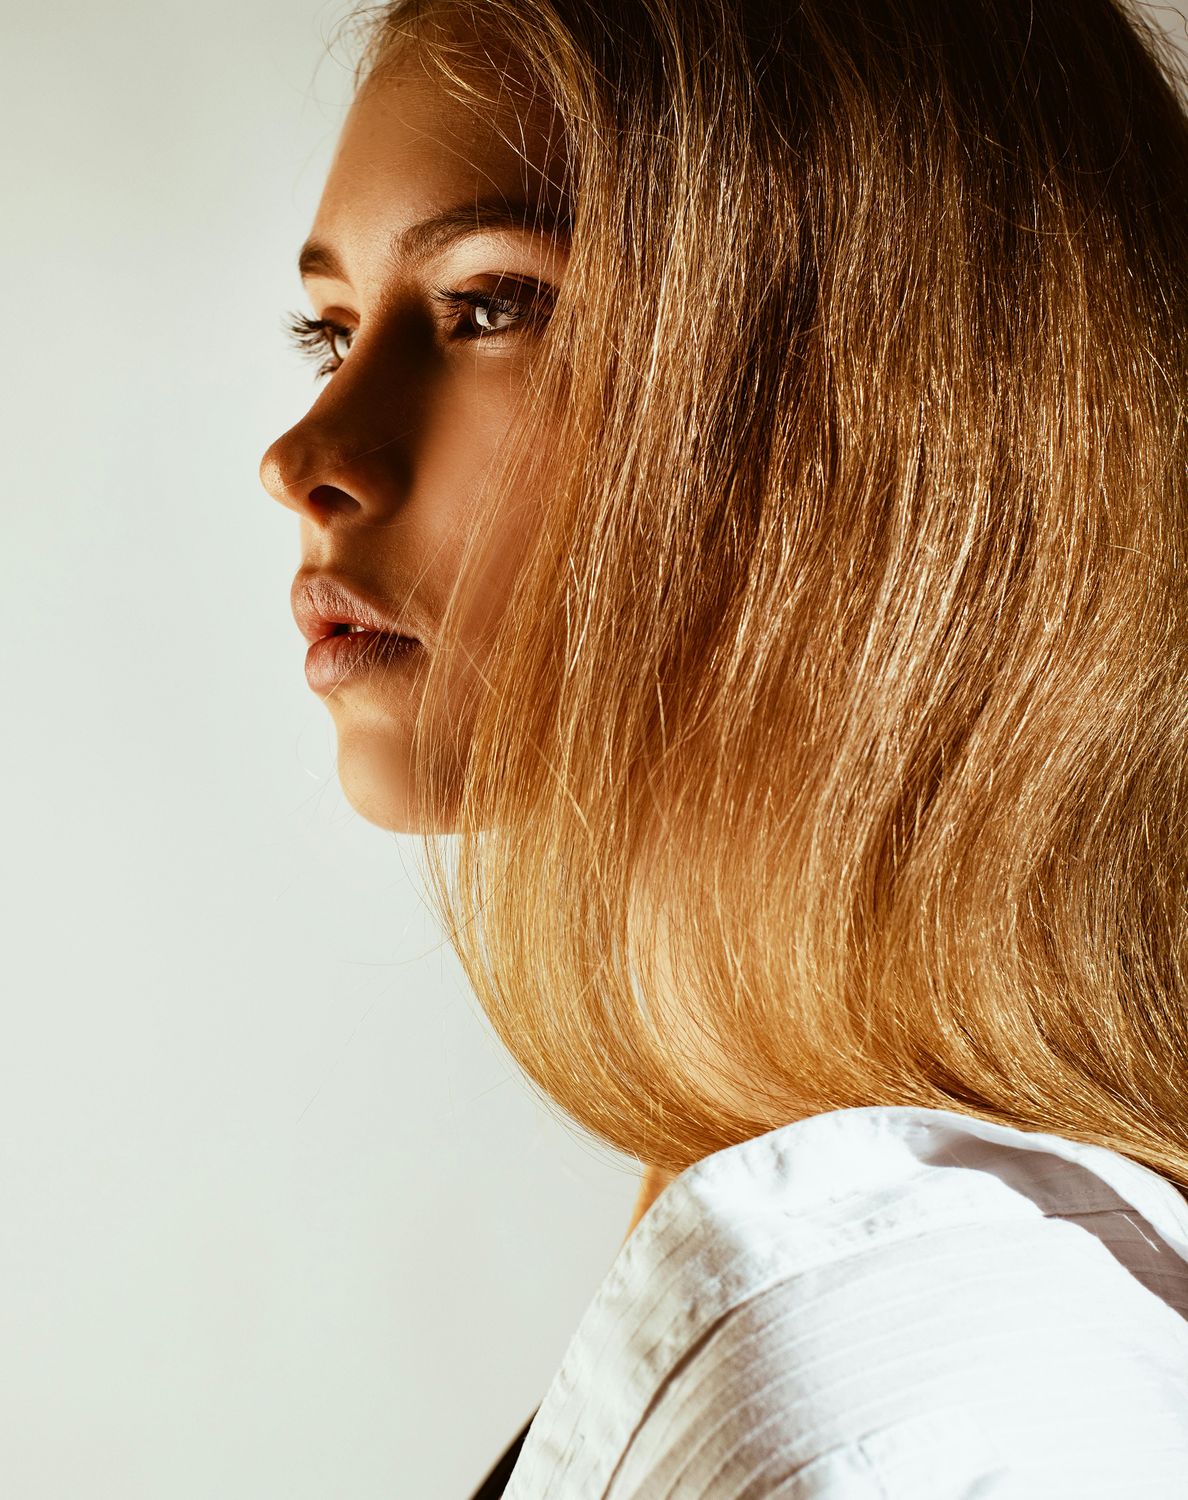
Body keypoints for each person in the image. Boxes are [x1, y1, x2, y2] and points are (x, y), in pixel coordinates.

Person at [258, 0, 1188, 1493]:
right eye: (330, 328)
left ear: (880, 398)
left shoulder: (901, 1381)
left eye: (494, 301)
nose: (304, 455)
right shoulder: (862, 1299)